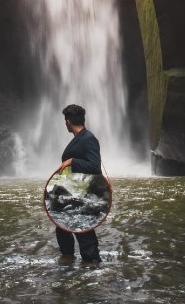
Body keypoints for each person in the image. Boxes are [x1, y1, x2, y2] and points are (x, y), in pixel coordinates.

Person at [53, 103, 103, 264]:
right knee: (62, 227)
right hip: (70, 194)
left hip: (82, 195)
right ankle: (67, 260)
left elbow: (95, 167)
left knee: (83, 230)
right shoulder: (80, 138)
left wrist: (72, 161)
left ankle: (92, 265)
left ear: (68, 122)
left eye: (65, 121)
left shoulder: (89, 139)